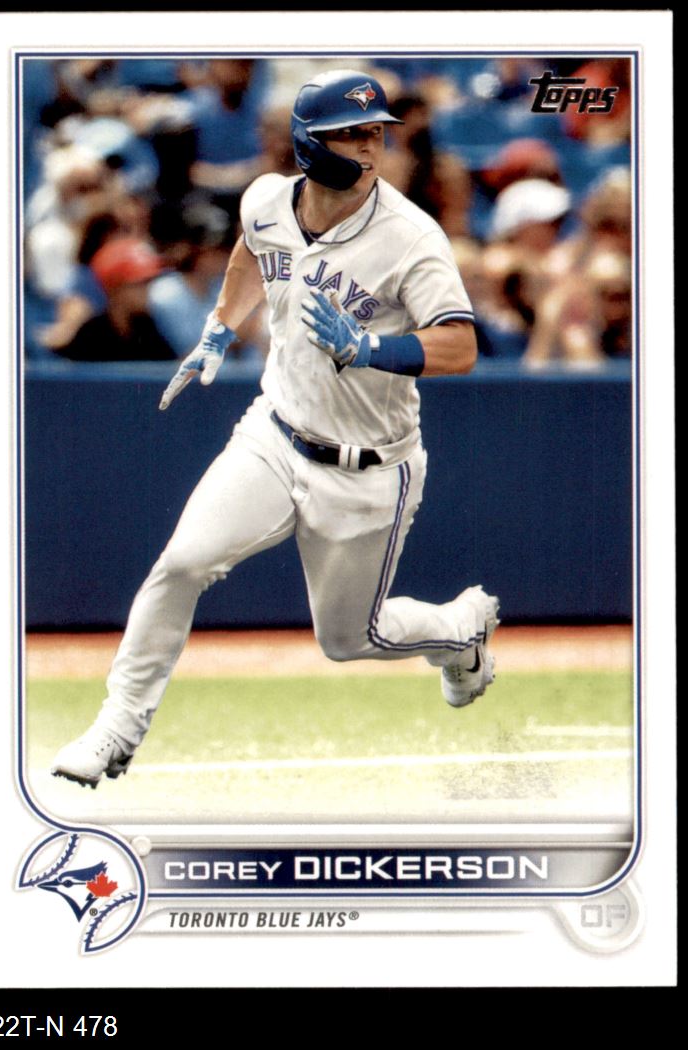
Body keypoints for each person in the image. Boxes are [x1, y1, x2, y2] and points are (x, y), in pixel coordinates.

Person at [51, 69, 500, 788]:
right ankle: (117, 728)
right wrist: (219, 329)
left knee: (350, 639)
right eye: (350, 134)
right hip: (275, 432)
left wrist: (370, 348)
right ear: (308, 143)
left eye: (376, 133)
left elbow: (460, 345)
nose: (369, 147)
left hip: (370, 467)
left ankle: (458, 633)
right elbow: (252, 251)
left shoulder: (411, 236)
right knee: (182, 563)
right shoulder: (267, 199)